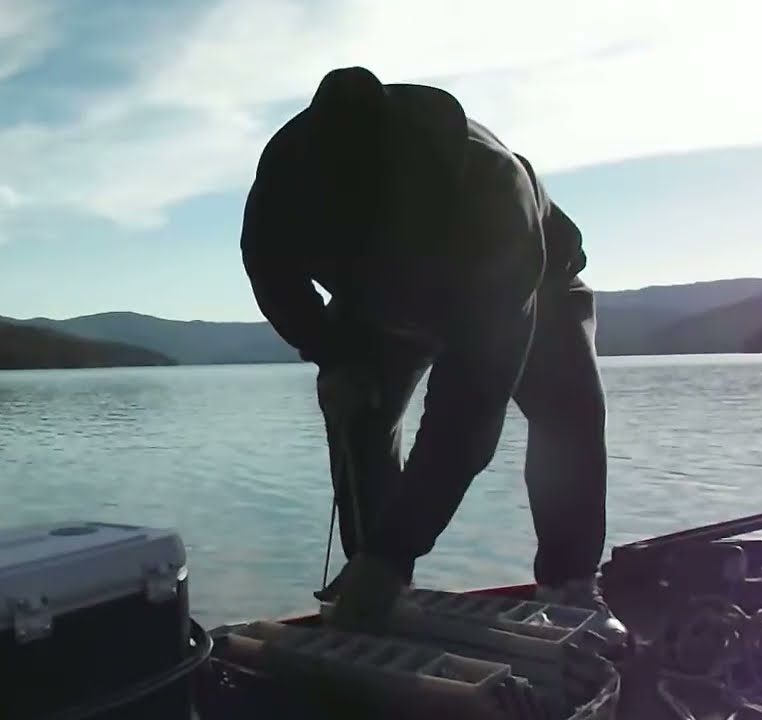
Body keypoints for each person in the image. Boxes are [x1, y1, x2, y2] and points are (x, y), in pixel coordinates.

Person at [239, 66, 627, 643]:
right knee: (360, 416)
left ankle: (569, 586)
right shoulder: (285, 183)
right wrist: (331, 354)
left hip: (526, 287)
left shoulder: (492, 189)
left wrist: (397, 549)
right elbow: (269, 270)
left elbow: (468, 406)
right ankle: (375, 590)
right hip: (377, 304)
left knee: (566, 414)